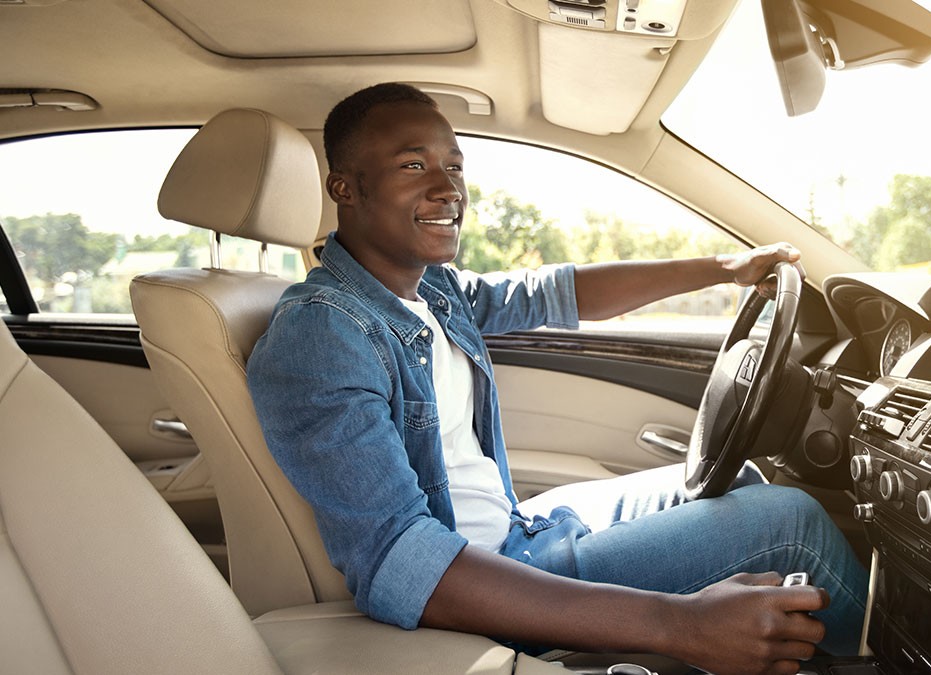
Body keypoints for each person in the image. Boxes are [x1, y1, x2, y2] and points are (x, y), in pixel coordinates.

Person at [247, 82, 867, 675]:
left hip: (517, 531)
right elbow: (404, 563)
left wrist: (726, 267)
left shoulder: (428, 291)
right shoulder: (322, 332)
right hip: (486, 582)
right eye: (414, 166)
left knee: (741, 482)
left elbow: (554, 292)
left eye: (455, 168)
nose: (447, 189)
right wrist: (682, 625)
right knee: (792, 522)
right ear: (345, 189)